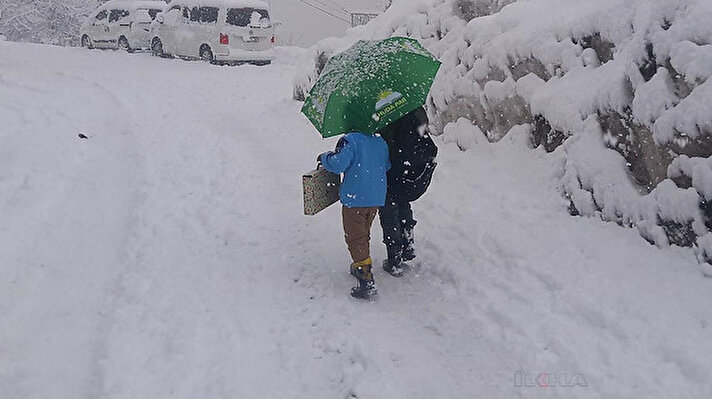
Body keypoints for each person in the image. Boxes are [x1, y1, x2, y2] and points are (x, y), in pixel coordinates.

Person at [319, 131, 391, 299]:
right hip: (375, 197)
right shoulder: (380, 141)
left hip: (356, 198)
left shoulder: (351, 141)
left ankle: (366, 279)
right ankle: (360, 263)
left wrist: (325, 157)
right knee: (363, 232)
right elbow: (386, 165)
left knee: (354, 237)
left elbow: (338, 165)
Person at [378, 107, 438, 276]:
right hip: (412, 168)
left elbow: (384, 142)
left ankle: (395, 257)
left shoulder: (383, 111)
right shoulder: (411, 105)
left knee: (389, 210)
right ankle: (408, 243)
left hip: (394, 167)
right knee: (403, 201)